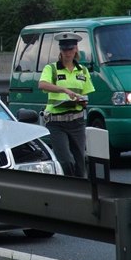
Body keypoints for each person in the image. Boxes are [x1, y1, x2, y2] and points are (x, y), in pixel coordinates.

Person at [38, 32, 95, 178]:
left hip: (76, 121)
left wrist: (82, 101)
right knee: (66, 161)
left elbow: (86, 93)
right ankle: (69, 188)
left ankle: (81, 193)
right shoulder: (52, 69)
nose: (67, 53)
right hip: (57, 122)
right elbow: (42, 84)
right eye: (64, 50)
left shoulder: (82, 70)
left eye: (70, 49)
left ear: (76, 49)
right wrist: (63, 89)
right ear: (60, 51)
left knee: (80, 163)